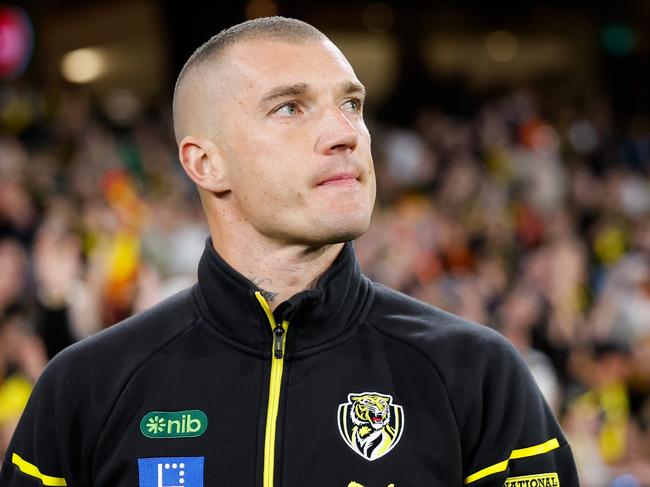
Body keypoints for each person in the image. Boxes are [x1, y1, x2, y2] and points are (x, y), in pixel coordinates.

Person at [0, 16, 579, 487]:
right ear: (206, 162)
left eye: (351, 104)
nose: (345, 133)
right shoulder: (84, 389)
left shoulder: (478, 374)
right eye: (289, 108)